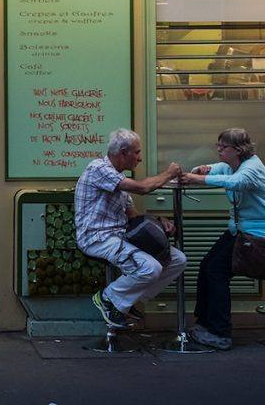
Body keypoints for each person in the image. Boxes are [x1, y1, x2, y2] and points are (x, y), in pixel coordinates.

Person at [180, 127, 265, 350]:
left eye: (223, 147)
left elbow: (236, 182)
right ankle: (205, 323)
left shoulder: (252, 169)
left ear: (238, 150)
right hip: (241, 231)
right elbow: (219, 169)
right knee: (207, 264)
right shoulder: (233, 164)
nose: (218, 150)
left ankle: (220, 332)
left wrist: (198, 179)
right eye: (217, 146)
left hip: (261, 236)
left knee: (217, 271)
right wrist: (202, 169)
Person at [74, 128, 185, 329]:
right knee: (150, 268)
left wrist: (160, 220)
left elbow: (134, 216)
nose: (140, 158)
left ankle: (124, 303)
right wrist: (168, 174)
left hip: (120, 236)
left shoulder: (118, 179)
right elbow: (143, 188)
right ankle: (108, 299)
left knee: (177, 259)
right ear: (123, 152)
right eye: (137, 152)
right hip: (97, 238)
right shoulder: (98, 169)